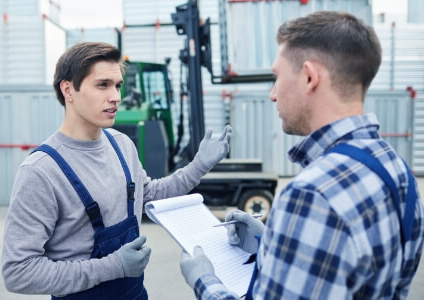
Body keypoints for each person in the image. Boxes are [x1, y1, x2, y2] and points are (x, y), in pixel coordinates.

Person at [180, 10, 424, 299]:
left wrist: (205, 281)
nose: (272, 94)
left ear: (309, 77)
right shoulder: (398, 173)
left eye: (276, 77)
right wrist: (269, 241)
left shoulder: (310, 195)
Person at [1, 41, 232, 299]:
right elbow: (18, 271)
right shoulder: (41, 172)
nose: (116, 97)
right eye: (103, 85)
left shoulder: (121, 144)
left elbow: (151, 195)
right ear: (68, 89)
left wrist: (199, 165)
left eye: (118, 85)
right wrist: (113, 267)